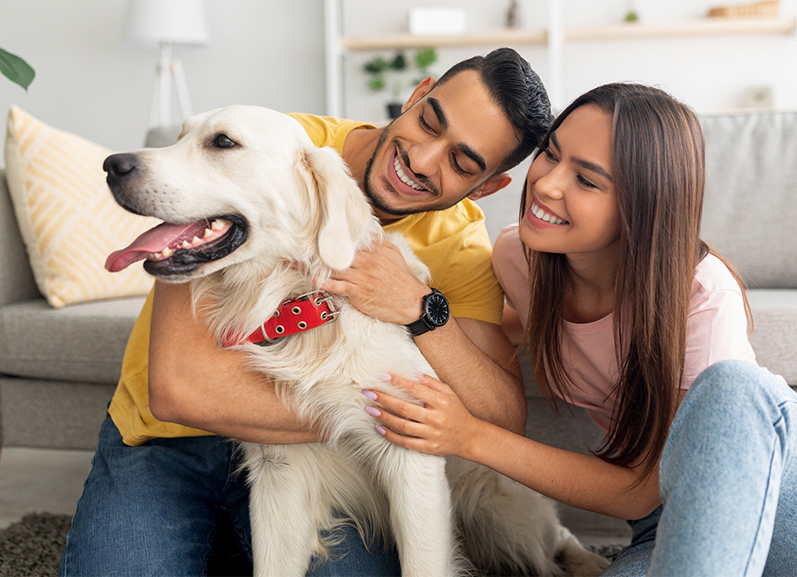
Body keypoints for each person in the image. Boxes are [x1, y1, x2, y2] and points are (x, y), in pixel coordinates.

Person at [59, 47, 553, 576]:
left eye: (462, 162)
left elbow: (500, 418)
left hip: (324, 457)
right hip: (169, 439)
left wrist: (420, 308)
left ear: (487, 187)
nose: (423, 159)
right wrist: (388, 417)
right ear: (416, 94)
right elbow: (180, 391)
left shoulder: (458, 243)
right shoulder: (271, 142)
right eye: (430, 121)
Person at [363, 83, 797, 575]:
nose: (546, 183)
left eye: (586, 180)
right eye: (550, 152)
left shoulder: (702, 295)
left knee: (732, 388)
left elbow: (640, 487)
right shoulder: (520, 258)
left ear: (641, 205)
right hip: (667, 528)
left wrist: (469, 436)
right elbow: (481, 340)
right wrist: (405, 303)